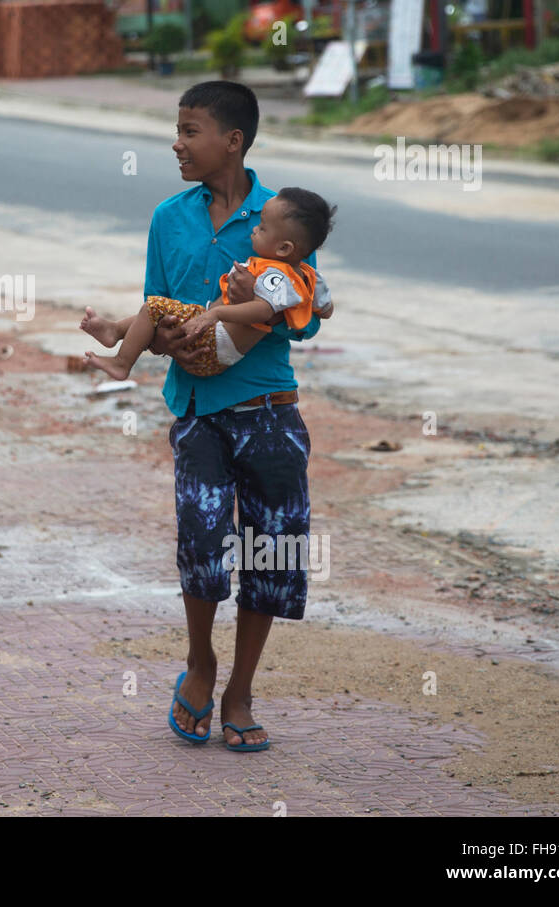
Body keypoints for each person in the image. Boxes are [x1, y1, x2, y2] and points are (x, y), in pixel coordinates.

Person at [86, 81, 323, 752]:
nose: (177, 142)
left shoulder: (282, 219)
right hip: (197, 412)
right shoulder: (169, 216)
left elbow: (301, 323)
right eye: (178, 128)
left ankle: (241, 688)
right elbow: (153, 309)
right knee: (201, 545)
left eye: (190, 130)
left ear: (233, 141)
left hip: (271, 412)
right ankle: (200, 660)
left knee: (270, 551)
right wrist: (168, 340)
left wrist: (255, 301)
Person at [82, 188, 336, 381]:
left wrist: (215, 314)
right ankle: (116, 330)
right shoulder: (308, 277)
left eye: (262, 228)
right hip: (214, 343)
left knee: (154, 308)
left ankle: (121, 362)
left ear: (284, 248)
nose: (254, 230)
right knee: (160, 309)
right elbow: (325, 309)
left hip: (216, 343)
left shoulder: (276, 276)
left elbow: (262, 311)